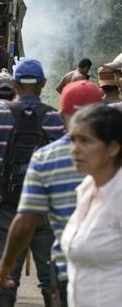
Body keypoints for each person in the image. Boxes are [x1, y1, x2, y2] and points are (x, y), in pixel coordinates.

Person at [0, 80, 102, 307]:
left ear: (62, 115)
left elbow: (25, 222)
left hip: (71, 271)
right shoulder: (113, 154)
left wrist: (6, 264)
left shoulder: (45, 158)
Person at [0, 58, 65, 307]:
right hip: (45, 208)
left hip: (7, 203)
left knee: (5, 276)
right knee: (50, 280)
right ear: (43, 84)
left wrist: (4, 170)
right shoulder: (54, 118)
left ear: (14, 83)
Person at [59, 103, 122, 307]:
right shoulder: (86, 189)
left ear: (113, 147)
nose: (75, 149)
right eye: (73, 140)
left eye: (85, 141)